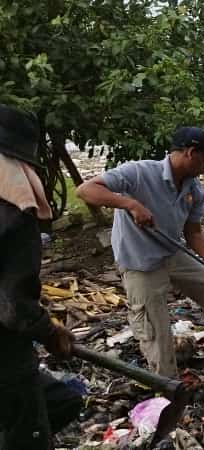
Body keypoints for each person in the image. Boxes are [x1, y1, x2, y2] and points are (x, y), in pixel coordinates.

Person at [76, 127, 204, 377]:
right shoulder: (139, 172)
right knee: (156, 328)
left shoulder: (194, 190)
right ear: (190, 153)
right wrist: (130, 204)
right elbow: (85, 190)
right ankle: (168, 386)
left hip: (172, 253)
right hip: (140, 262)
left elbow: (194, 233)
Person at [0, 104, 84, 449]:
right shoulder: (13, 214)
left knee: (61, 400)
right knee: (28, 435)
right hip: (5, 362)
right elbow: (14, 306)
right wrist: (50, 332)